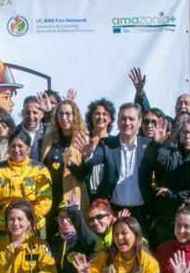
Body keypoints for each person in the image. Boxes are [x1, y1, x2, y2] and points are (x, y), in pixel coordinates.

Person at [71, 103, 153, 231]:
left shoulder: (148, 145)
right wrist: (88, 155)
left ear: (139, 122)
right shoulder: (107, 144)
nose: (127, 122)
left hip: (142, 211)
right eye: (123, 118)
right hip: (113, 209)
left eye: (131, 119)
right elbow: (95, 158)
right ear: (118, 122)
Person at [142, 115, 190, 244]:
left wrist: (172, 194)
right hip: (167, 219)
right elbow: (152, 157)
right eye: (184, 133)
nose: (187, 137)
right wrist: (156, 144)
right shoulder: (171, 155)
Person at [0, 129, 53, 236]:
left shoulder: (39, 170)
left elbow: (45, 201)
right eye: (12, 146)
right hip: (3, 227)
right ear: (8, 149)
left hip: (32, 226)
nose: (16, 150)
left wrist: (27, 218)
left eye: (20, 146)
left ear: (29, 149)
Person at [40, 99, 87, 237]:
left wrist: (70, 164)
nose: (64, 117)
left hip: (72, 197)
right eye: (60, 114)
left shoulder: (82, 138)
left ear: (75, 116)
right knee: (51, 237)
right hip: (50, 197)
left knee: (72, 238)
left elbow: (85, 174)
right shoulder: (48, 139)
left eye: (68, 114)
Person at [82, 98, 116, 196]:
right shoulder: (84, 141)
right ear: (91, 117)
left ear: (110, 119)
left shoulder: (114, 143)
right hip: (86, 194)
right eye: (97, 113)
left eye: (105, 114)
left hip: (107, 197)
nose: (101, 117)